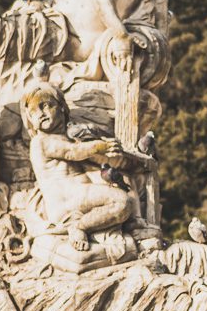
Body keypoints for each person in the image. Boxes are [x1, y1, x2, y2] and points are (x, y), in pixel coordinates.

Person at [23, 83, 131, 251]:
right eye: (33, 112)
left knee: (127, 189)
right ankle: (79, 227)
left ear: (62, 108)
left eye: (46, 106)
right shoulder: (41, 141)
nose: (40, 114)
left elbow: (94, 157)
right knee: (121, 201)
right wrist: (101, 145)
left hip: (79, 196)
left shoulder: (65, 138)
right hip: (67, 201)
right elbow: (72, 152)